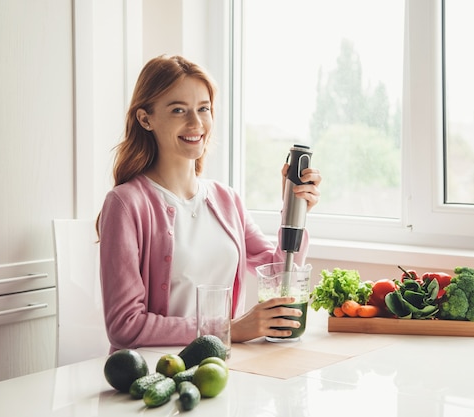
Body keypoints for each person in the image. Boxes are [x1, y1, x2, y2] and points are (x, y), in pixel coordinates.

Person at [97, 55, 321, 352]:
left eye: (204, 108)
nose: (196, 123)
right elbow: (125, 326)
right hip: (157, 371)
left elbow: (280, 273)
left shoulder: (226, 200)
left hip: (221, 367)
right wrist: (227, 329)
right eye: (179, 110)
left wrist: (295, 210)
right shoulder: (126, 204)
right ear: (145, 118)